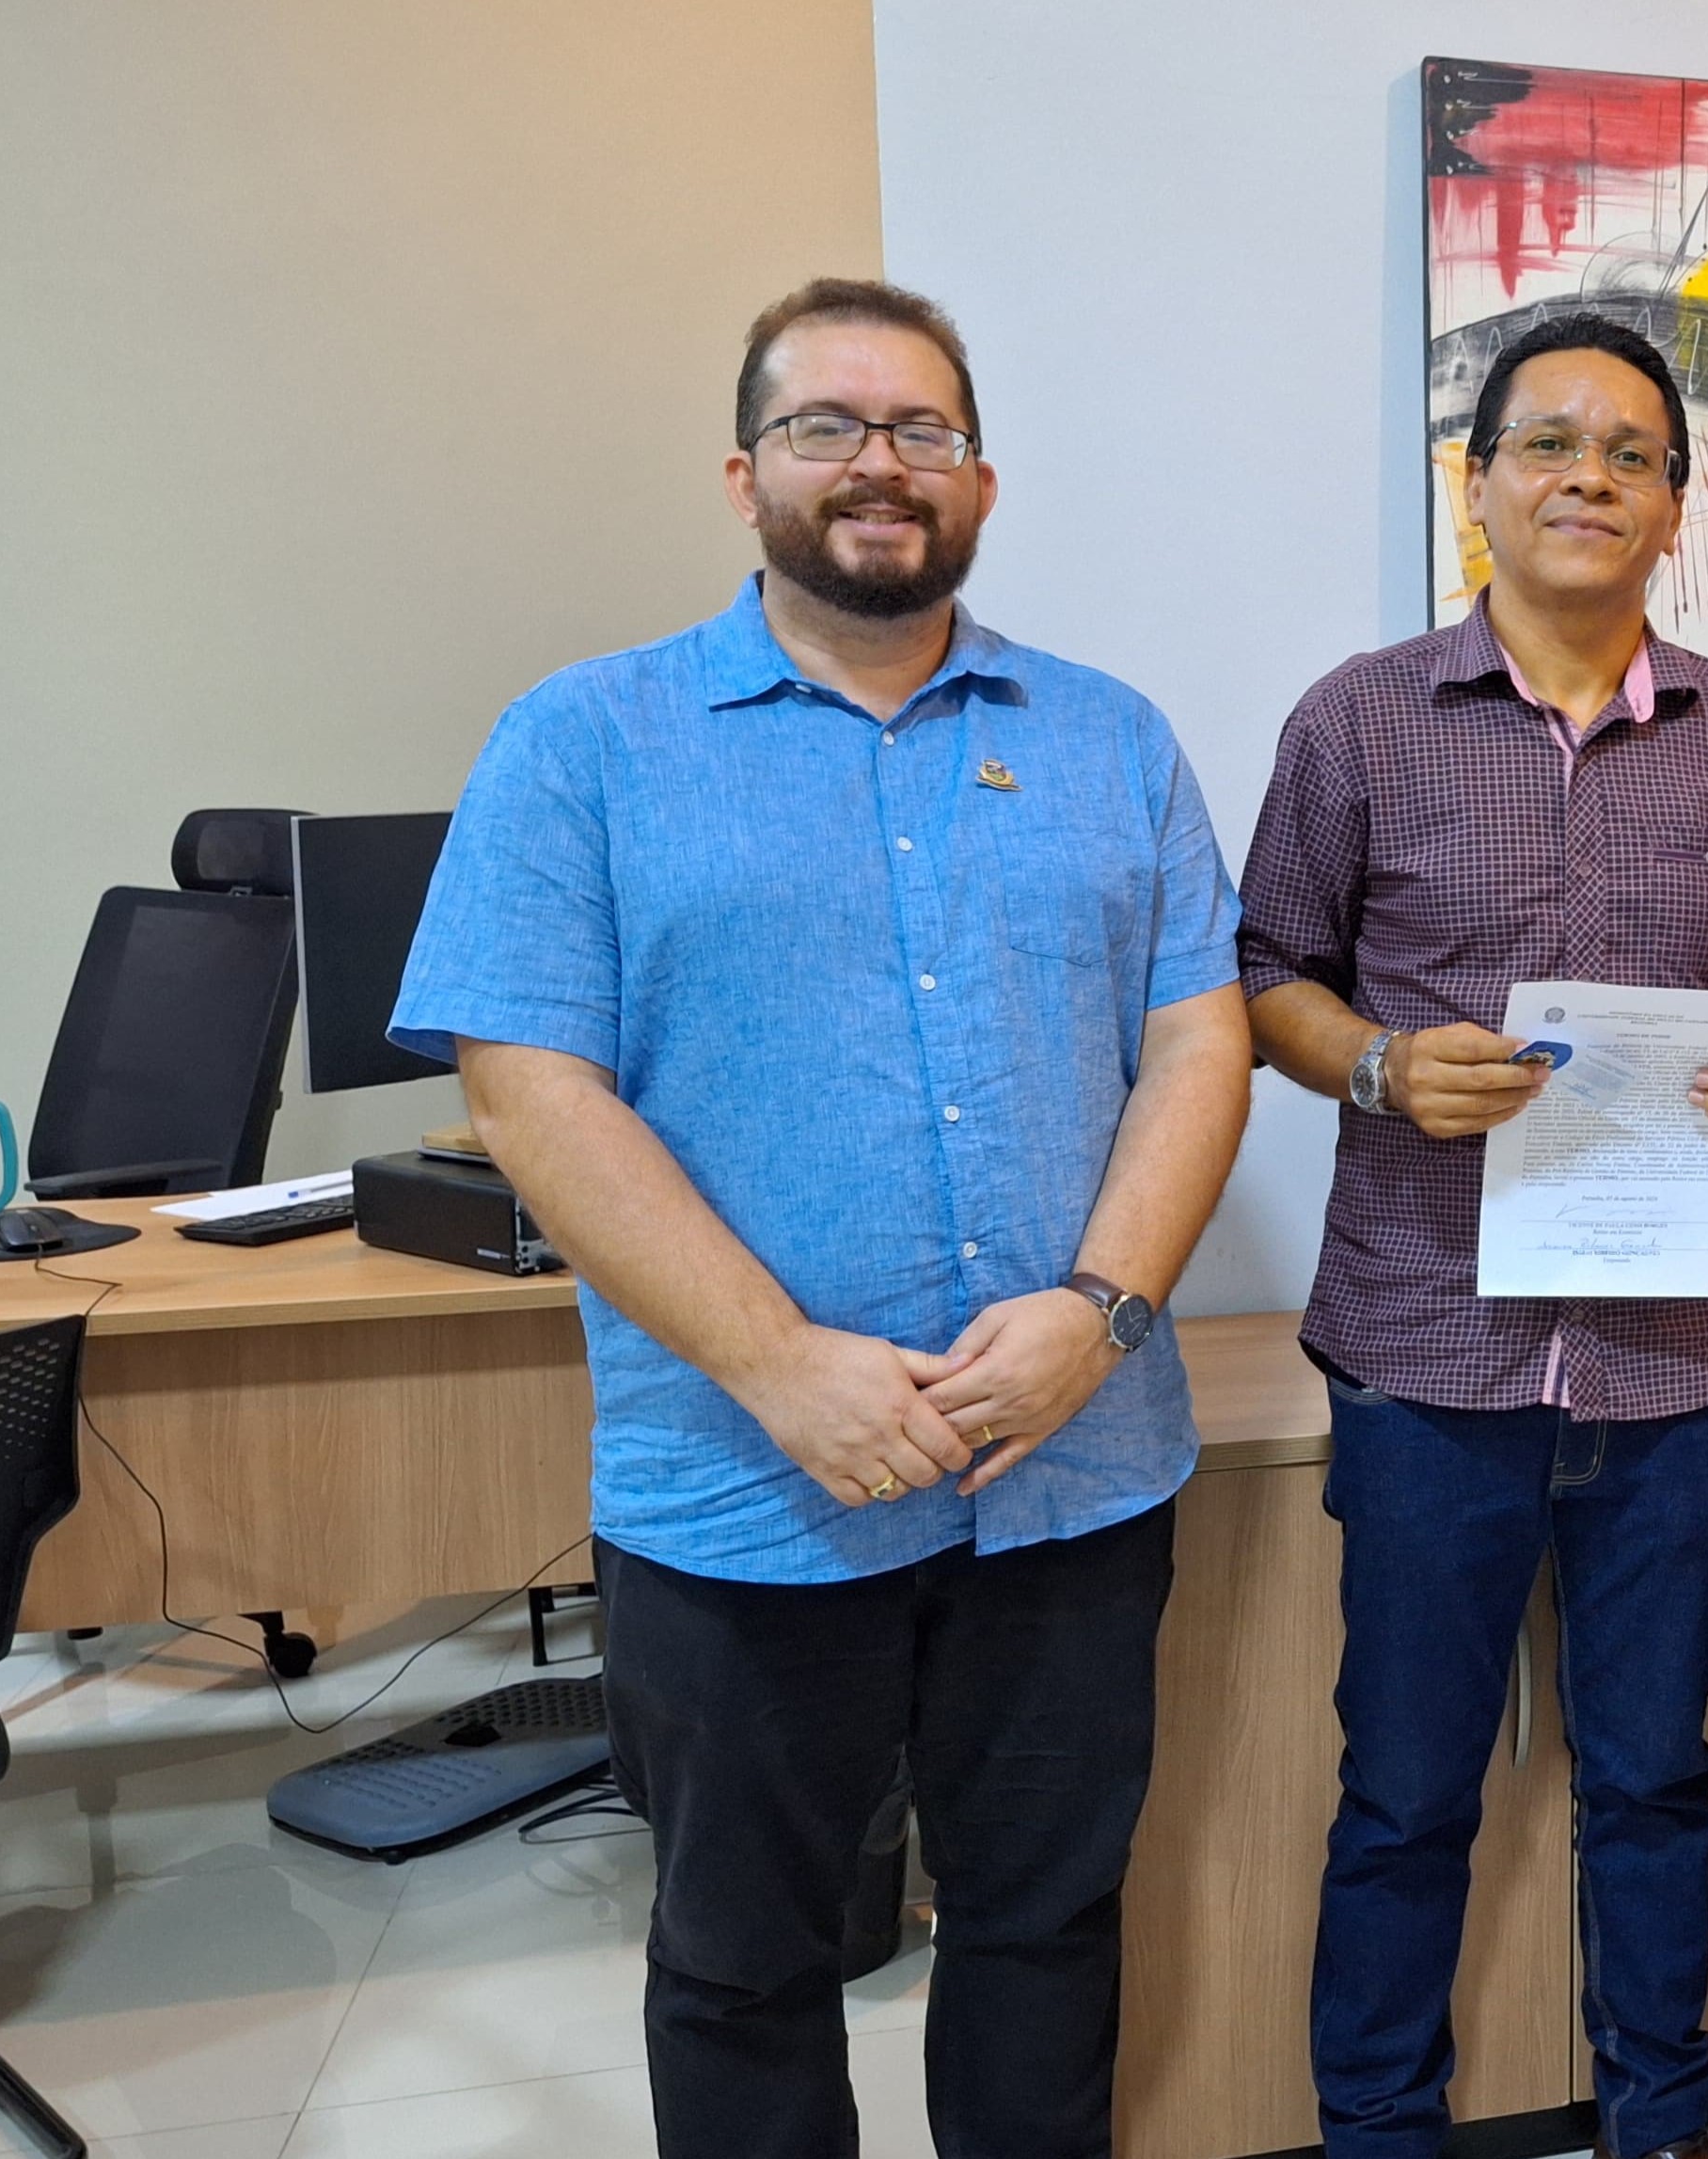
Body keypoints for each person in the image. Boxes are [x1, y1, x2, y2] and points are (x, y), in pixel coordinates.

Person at [389, 278, 1251, 2158]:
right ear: (744, 475)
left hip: (1071, 1472)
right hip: (744, 1488)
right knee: (747, 1963)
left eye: (924, 429)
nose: (880, 462)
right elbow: (527, 1087)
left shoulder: (1108, 737)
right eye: (826, 426)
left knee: (1046, 1930)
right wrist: (782, 1365)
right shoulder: (583, 741)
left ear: (981, 479)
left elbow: (1200, 1042)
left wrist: (1101, 1309)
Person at [1237, 314, 1708, 2159]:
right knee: (1407, 1792)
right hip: (1429, 1356)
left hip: (1676, 1364)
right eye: (1550, 444)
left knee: (1656, 1780)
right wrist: (1377, 1065)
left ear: (1675, 502)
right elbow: (1268, 974)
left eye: (1633, 453)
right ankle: (1378, 2127)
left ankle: (1661, 2114)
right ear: (1479, 483)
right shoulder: (1358, 718)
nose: (1591, 476)